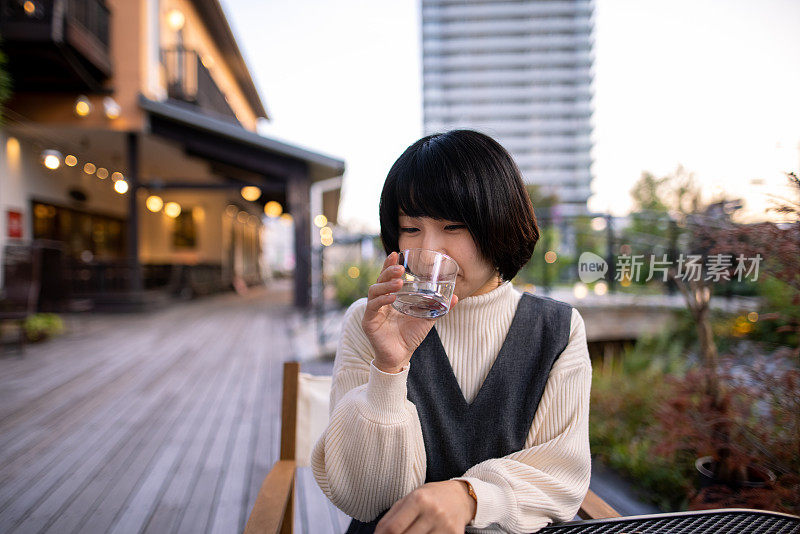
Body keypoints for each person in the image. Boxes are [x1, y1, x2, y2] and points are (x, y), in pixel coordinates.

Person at [311, 130, 591, 533]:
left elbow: (562, 477)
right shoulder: (368, 321)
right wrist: (389, 368)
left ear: (500, 224)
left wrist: (470, 497)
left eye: (454, 226)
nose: (431, 252)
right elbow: (365, 499)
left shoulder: (557, 330)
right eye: (411, 229)